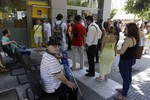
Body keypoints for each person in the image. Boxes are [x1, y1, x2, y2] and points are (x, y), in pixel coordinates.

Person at [40, 36, 78, 100]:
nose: (57, 48)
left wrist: (58, 57)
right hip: (52, 89)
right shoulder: (52, 60)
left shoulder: (46, 55)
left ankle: (62, 97)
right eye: (54, 46)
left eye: (58, 46)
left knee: (66, 77)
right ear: (48, 46)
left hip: (47, 85)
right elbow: (60, 77)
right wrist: (68, 83)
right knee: (74, 88)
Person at [114, 23, 140, 100]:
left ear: (130, 30)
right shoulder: (136, 38)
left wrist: (115, 51)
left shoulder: (129, 39)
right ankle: (124, 89)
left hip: (125, 62)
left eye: (126, 29)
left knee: (126, 79)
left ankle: (123, 96)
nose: (125, 30)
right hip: (131, 60)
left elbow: (122, 51)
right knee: (128, 77)